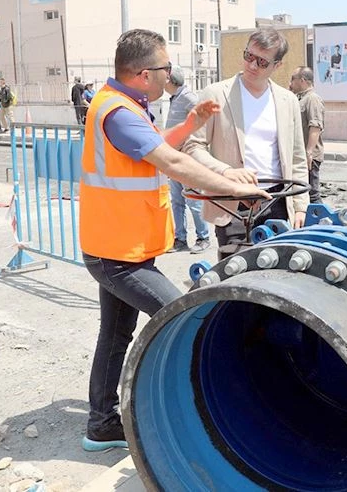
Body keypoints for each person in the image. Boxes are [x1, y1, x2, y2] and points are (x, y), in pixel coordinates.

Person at [78, 28, 270, 452]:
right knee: (181, 320)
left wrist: (190, 124)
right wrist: (230, 186)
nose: (171, 75)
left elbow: (153, 149)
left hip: (118, 246)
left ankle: (101, 422)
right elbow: (170, 162)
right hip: (117, 254)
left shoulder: (125, 106)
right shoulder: (119, 112)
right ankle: (199, 420)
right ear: (145, 73)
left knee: (114, 334)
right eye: (167, 68)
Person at [183, 27, 309, 258]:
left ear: (277, 65)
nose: (252, 65)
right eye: (248, 56)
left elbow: (298, 157)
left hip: (277, 202)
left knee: (276, 275)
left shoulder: (287, 100)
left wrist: (300, 206)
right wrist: (226, 171)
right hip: (231, 204)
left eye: (262, 62)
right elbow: (192, 147)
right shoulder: (216, 94)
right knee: (234, 275)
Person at [165, 65, 211, 253]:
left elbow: (202, 123)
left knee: (193, 199)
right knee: (177, 201)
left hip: (185, 159)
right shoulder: (175, 98)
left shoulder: (189, 98)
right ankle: (180, 240)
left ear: (171, 80)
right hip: (173, 158)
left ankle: (203, 238)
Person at [289, 66, 325, 204]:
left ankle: (319, 221)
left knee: (312, 194)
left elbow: (315, 126)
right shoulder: (300, 98)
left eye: (293, 79)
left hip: (309, 156)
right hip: (301, 155)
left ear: (303, 80)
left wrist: (308, 152)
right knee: (300, 192)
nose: (290, 82)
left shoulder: (312, 99)